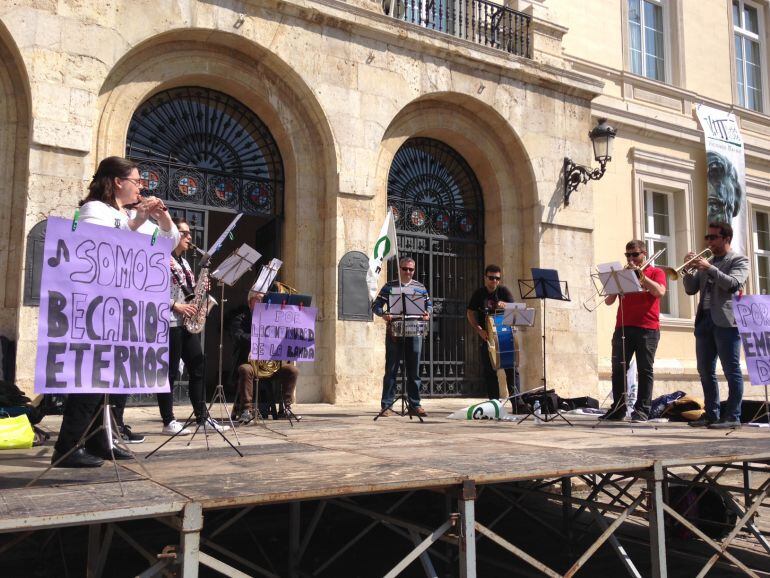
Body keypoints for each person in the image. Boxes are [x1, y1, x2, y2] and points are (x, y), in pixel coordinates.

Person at [52, 156, 179, 468]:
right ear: (118, 182)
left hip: (122, 308)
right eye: (136, 181)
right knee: (90, 380)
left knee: (108, 380)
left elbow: (169, 241)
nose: (140, 188)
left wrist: (161, 218)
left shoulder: (128, 214)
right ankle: (66, 447)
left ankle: (99, 440)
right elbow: (102, 243)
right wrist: (137, 220)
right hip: (95, 307)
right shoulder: (94, 209)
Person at [156, 218, 228, 435]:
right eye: (184, 233)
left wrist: (202, 287)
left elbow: (190, 292)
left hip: (187, 323)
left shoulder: (185, 264)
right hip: (169, 321)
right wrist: (174, 305)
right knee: (168, 373)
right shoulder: (160, 259)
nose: (189, 237)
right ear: (172, 235)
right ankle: (168, 421)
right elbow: (148, 290)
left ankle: (202, 417)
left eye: (188, 233)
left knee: (198, 366)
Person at [684, 222, 749, 429]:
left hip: (726, 322)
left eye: (713, 237)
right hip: (704, 320)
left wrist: (709, 268)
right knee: (705, 370)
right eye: (707, 237)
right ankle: (711, 414)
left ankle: (732, 416)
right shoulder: (707, 262)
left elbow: (733, 284)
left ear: (726, 238)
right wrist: (687, 270)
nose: (709, 241)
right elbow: (690, 290)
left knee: (731, 370)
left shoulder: (738, 260)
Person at [599, 240, 667, 423]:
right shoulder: (624, 274)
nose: (631, 258)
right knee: (618, 368)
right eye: (627, 255)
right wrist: (617, 281)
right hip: (623, 326)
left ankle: (642, 410)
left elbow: (660, 292)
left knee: (645, 369)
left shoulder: (656, 272)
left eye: (634, 254)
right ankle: (618, 408)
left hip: (648, 328)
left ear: (644, 254)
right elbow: (608, 301)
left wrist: (642, 277)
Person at [228, 287, 300, 422]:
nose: (262, 303)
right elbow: (238, 336)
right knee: (245, 369)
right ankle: (246, 410)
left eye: (264, 300)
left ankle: (286, 408)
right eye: (258, 300)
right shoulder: (241, 318)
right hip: (249, 363)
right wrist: (258, 337)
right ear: (250, 303)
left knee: (292, 370)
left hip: (271, 365)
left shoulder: (273, 319)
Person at [372, 256, 432, 417]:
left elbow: (429, 305)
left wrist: (428, 313)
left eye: (411, 269)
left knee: (414, 370)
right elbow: (375, 305)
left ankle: (415, 404)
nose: (408, 272)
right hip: (395, 331)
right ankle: (386, 405)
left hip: (414, 330)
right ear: (399, 269)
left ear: (414, 270)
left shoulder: (420, 287)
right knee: (391, 368)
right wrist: (384, 314)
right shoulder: (389, 286)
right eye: (404, 269)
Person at [466, 265, 521, 400]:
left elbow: (516, 311)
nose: (494, 281)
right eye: (491, 278)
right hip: (488, 338)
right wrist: (479, 330)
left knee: (512, 370)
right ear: (485, 278)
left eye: (497, 278)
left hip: (505, 337)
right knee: (490, 372)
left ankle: (517, 404)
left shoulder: (504, 291)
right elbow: (470, 312)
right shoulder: (479, 293)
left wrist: (506, 306)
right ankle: (495, 405)